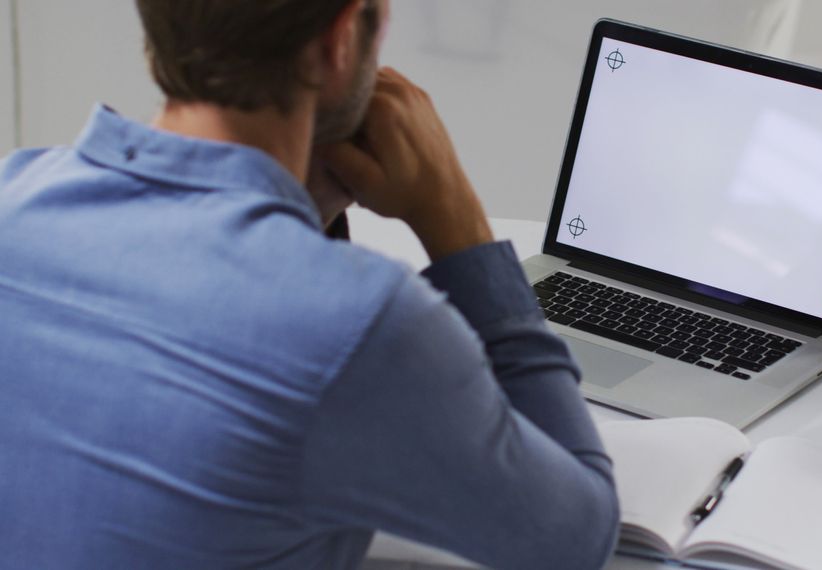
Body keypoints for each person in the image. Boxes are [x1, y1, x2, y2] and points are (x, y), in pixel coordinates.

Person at [0, 0, 619, 568]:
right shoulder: (362, 319)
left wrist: (299, 209)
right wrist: (455, 220)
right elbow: (574, 539)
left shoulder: (14, 194)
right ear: (341, 39)